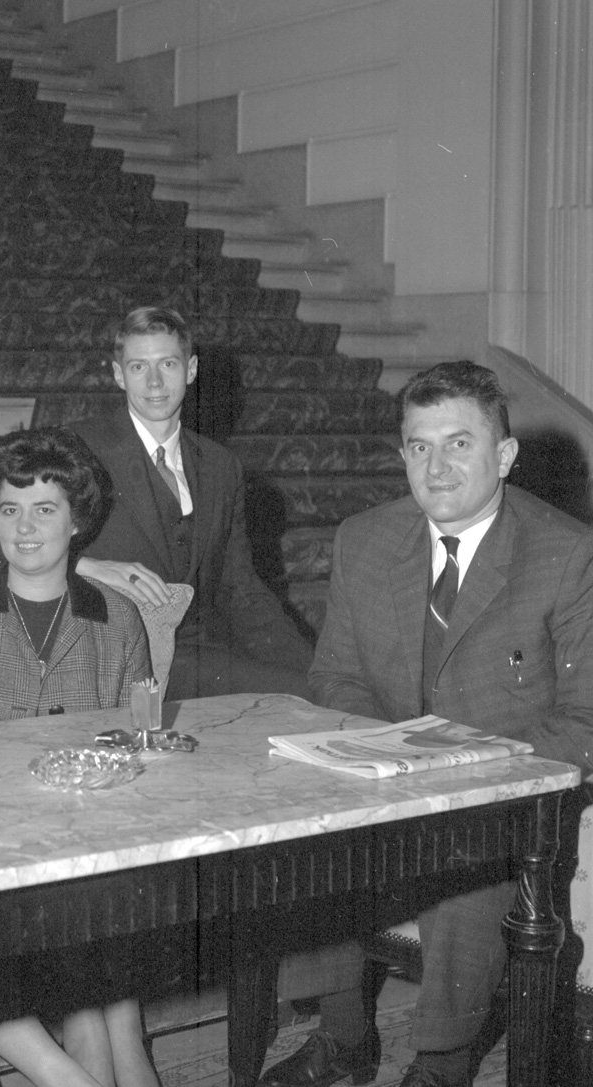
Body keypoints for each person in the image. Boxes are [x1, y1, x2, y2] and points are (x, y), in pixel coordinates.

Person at [259, 361, 593, 1087]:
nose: (436, 468)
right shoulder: (365, 539)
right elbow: (336, 678)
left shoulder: (566, 553)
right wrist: (384, 758)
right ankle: (345, 1036)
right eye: (419, 446)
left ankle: (442, 1062)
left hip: (506, 795)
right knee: (295, 837)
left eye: (459, 444)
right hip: (389, 783)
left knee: (466, 869)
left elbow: (585, 719)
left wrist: (459, 768)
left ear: (504, 456)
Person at [0, 426, 158, 1087]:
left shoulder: (118, 618)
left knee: (103, 1012)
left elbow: (138, 742)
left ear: (78, 521)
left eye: (45, 509)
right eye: (10, 509)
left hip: (82, 842)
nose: (24, 527)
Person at [0, 305, 312, 701]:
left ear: (191, 370)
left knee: (311, 692)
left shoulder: (220, 465)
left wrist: (315, 668)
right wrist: (82, 564)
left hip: (200, 653)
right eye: (139, 367)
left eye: (168, 364)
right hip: (111, 658)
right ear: (118, 375)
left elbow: (242, 590)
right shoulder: (78, 447)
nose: (155, 382)